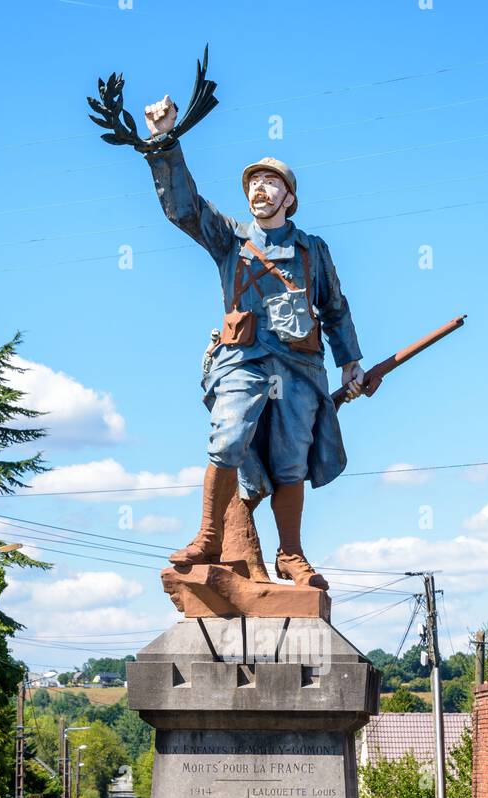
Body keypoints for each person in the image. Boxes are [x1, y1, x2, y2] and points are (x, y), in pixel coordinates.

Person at [142, 93, 365, 589]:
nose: (260, 189)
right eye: (254, 183)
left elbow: (334, 307)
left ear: (289, 197)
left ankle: (291, 554)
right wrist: (163, 141)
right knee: (227, 437)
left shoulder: (313, 250)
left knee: (292, 459)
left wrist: (351, 361)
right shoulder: (229, 238)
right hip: (243, 358)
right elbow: (183, 209)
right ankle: (207, 536)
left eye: (271, 182)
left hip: (300, 367)